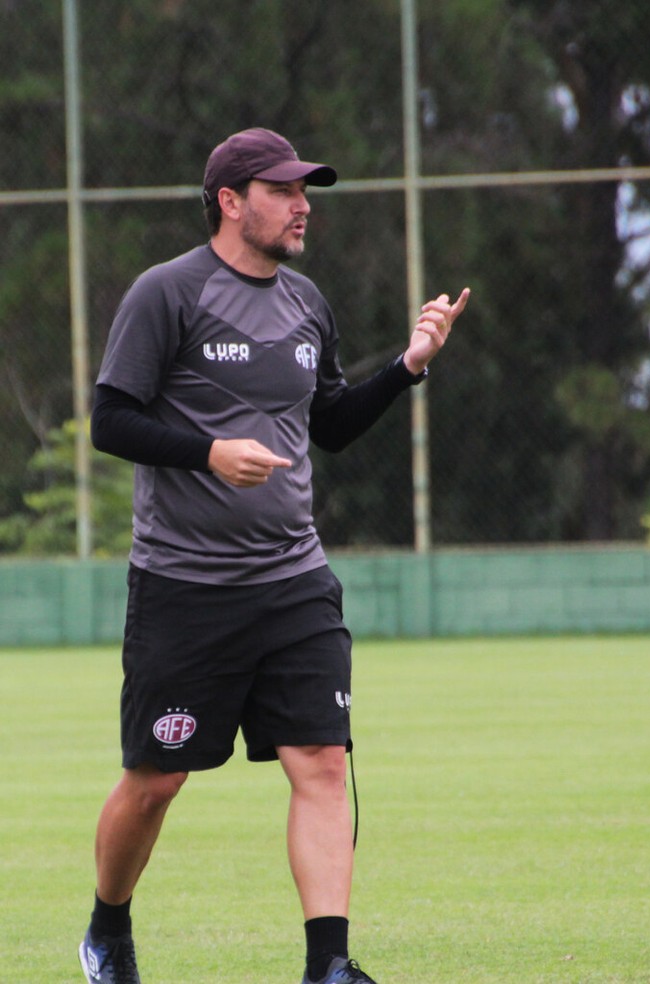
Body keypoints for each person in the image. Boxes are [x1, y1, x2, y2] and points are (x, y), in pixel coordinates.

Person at [79, 127, 469, 984]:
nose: (302, 207)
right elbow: (111, 420)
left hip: (293, 580)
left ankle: (327, 966)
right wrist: (207, 451)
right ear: (230, 200)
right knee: (156, 781)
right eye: (285, 191)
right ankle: (108, 928)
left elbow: (326, 426)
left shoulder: (306, 302)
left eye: (306, 192)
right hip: (184, 586)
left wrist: (408, 365)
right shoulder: (166, 293)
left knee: (322, 763)